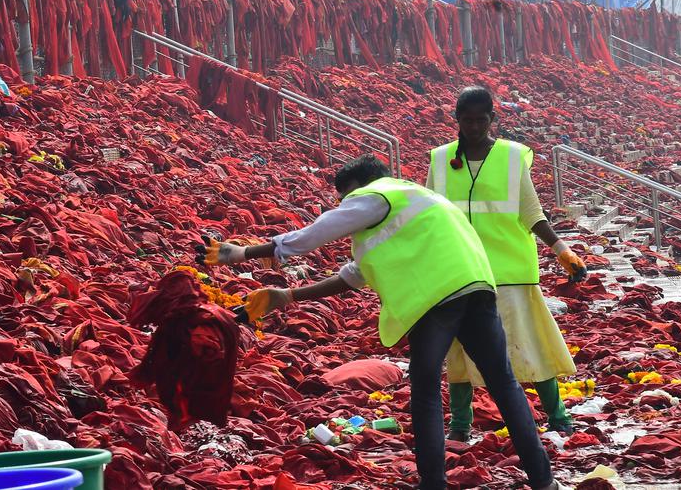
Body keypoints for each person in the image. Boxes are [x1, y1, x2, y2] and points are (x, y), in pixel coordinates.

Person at [199, 155, 558, 490]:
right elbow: (355, 275)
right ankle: (545, 482)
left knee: (427, 393)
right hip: (477, 288)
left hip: (434, 296)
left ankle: (433, 484)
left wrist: (243, 252)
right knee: (504, 385)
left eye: (346, 198)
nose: (346, 207)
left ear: (362, 185)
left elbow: (315, 234)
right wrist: (287, 296)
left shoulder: (376, 194)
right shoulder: (415, 201)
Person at [429, 87, 586, 442]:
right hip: (458, 273)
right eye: (467, 120)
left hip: (510, 273)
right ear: (457, 120)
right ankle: (459, 425)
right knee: (459, 352)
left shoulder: (512, 157)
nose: (473, 127)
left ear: (492, 120)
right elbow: (429, 215)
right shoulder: (440, 161)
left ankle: (558, 416)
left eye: (481, 120)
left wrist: (561, 250)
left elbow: (531, 212)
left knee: (526, 343)